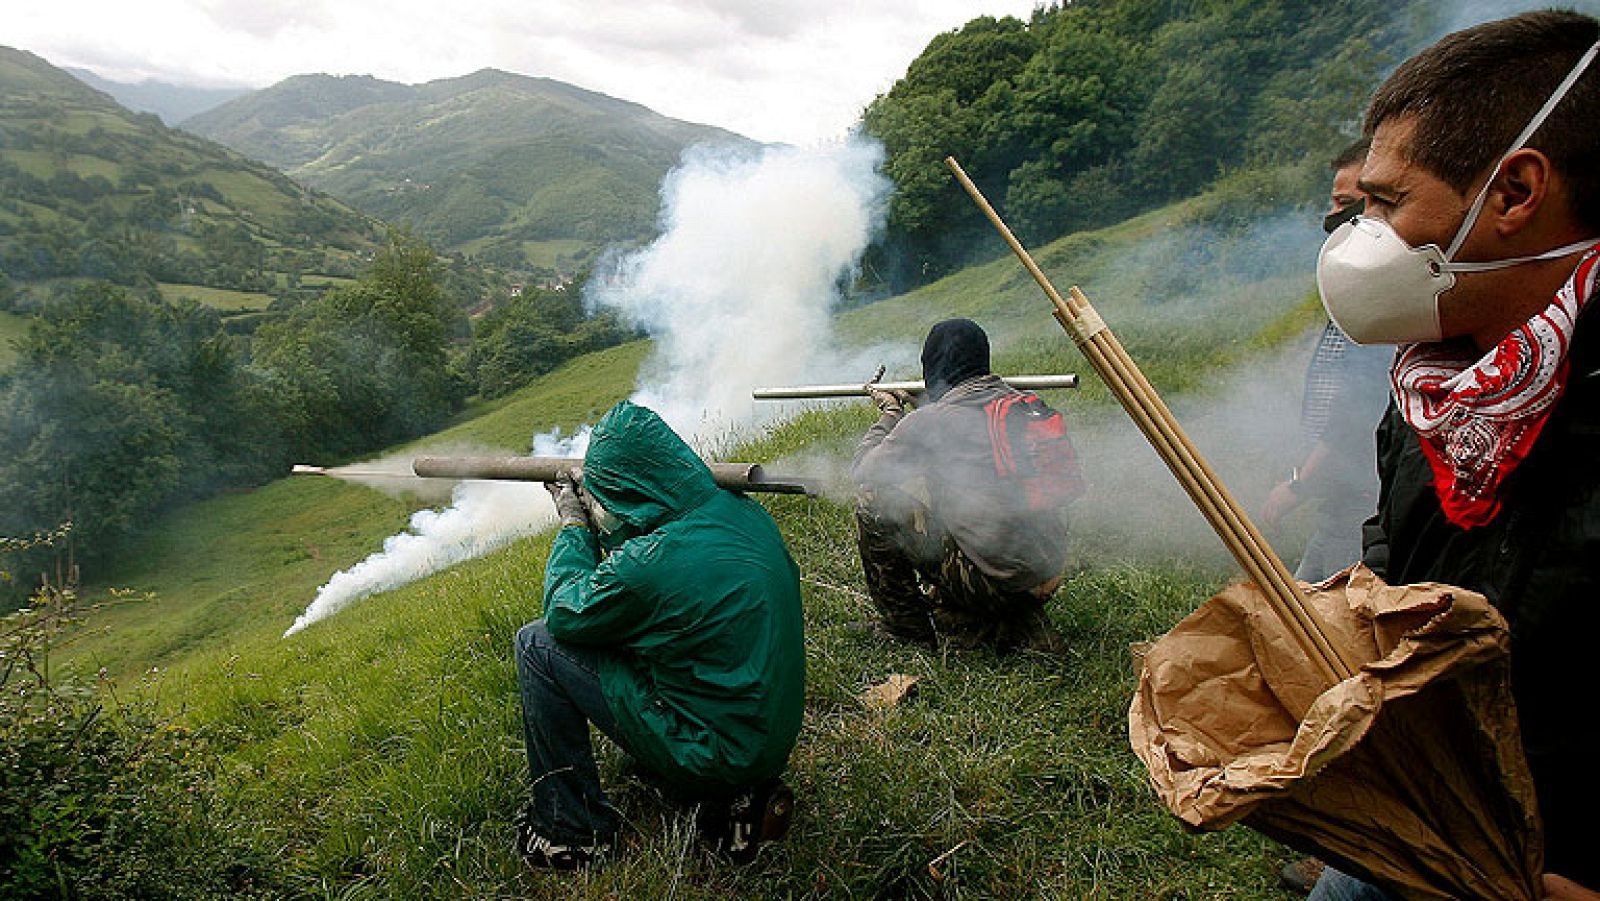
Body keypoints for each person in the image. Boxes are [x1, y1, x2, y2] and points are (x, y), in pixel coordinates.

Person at [1310, 11, 1600, 900]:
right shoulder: (1433, 379)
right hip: (1420, 818)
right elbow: (1393, 534)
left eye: (1386, 203)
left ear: (1514, 193)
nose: (1357, 240)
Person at [512, 400, 805, 869]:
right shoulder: (742, 512)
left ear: (625, 490)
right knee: (630, 635)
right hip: (765, 739)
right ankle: (733, 800)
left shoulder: (649, 566)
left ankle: (571, 832)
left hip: (713, 752)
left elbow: (566, 612)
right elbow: (659, 559)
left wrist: (575, 526)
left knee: (537, 645)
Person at [851, 318, 1084, 654]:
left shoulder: (931, 422)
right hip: (1046, 575)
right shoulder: (1022, 403)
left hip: (995, 585)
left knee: (873, 500)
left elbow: (865, 470)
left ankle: (907, 629)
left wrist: (890, 413)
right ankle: (1001, 611)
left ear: (933, 365)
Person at [1262, 138, 1394, 587]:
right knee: (1307, 597)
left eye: (1343, 202)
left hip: (1361, 495)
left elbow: (1356, 413)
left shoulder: (1382, 297)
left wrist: (1299, 485)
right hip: (1342, 497)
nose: (1331, 214)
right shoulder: (1357, 285)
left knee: (1341, 608)